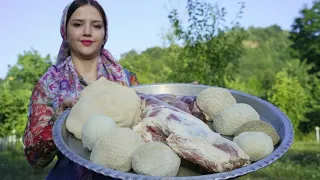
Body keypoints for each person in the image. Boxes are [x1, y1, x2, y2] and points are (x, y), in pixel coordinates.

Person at [23, 0, 197, 179]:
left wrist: (182, 102)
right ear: (64, 31)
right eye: (77, 24)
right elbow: (35, 159)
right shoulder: (49, 85)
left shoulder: (126, 79)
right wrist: (58, 122)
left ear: (105, 33)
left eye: (96, 26)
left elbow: (148, 118)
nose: (87, 32)